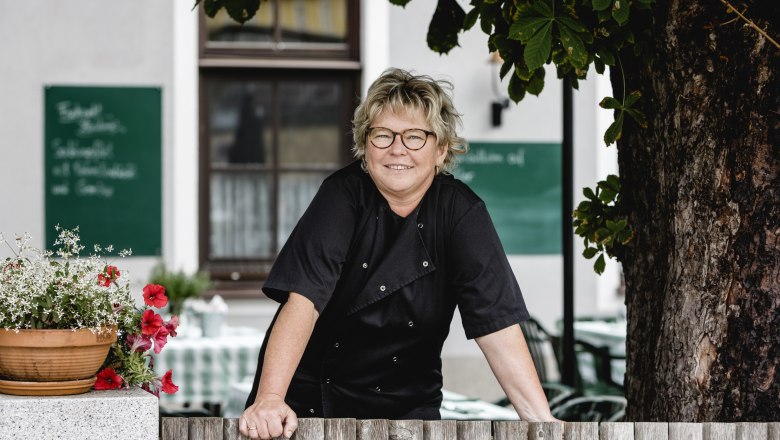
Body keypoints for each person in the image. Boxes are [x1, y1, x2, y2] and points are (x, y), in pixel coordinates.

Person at [239, 68, 556, 439]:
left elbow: (497, 325)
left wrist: (543, 424)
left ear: (440, 151)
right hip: (311, 404)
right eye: (383, 135)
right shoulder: (341, 196)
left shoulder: (461, 213)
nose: (397, 149)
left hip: (409, 409)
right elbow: (303, 301)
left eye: (415, 137)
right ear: (365, 145)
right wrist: (271, 398)